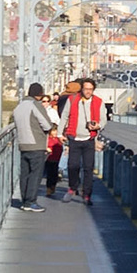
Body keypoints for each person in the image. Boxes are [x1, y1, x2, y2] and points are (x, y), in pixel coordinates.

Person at [59, 77, 106, 203]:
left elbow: (103, 118)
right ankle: (72, 187)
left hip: (89, 139)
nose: (88, 92)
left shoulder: (98, 102)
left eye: (90, 89)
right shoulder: (73, 99)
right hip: (74, 137)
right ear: (82, 89)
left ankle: (87, 194)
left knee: (88, 168)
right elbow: (64, 116)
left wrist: (98, 126)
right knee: (72, 165)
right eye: (86, 89)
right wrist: (60, 133)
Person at [11, 82, 58, 210]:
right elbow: (47, 125)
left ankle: (24, 201)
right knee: (35, 174)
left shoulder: (19, 107)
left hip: (22, 143)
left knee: (25, 173)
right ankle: (31, 201)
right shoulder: (35, 105)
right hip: (36, 144)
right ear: (39, 94)